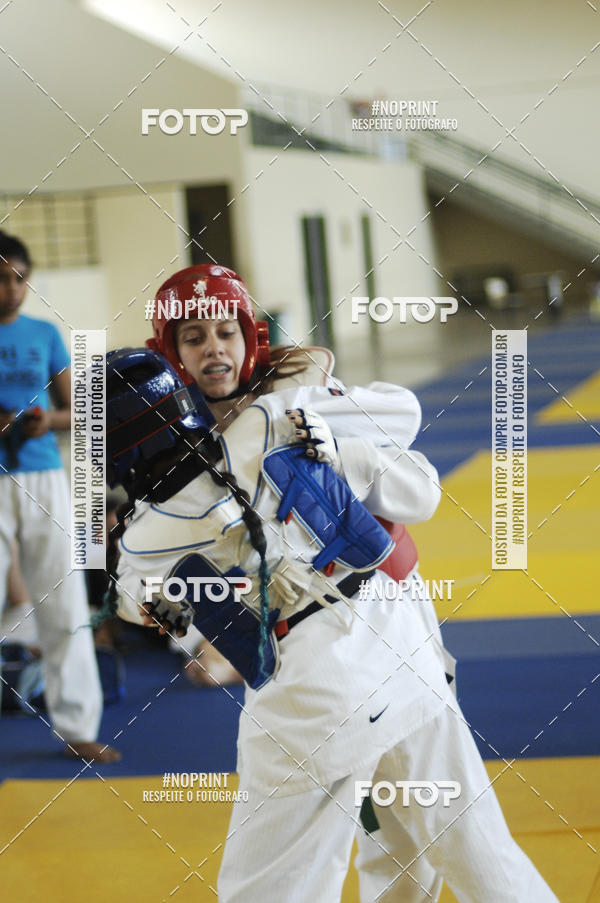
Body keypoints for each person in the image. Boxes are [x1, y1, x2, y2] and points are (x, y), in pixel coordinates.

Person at [107, 349, 559, 899]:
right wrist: (322, 416)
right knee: (475, 847)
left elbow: (137, 607)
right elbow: (402, 411)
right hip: (398, 645)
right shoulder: (270, 416)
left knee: (269, 888)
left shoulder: (141, 544)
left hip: (312, 698)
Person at [0, 231, 119, 763]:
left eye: (19, 278)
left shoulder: (45, 334)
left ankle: (78, 726)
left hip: (44, 476)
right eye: (1, 278)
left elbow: (81, 411)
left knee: (63, 600)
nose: (11, 288)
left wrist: (46, 420)